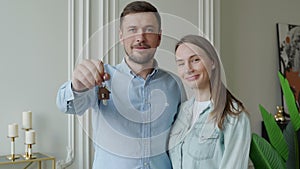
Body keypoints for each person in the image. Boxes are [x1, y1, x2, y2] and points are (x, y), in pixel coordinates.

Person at [56, 1, 186, 169]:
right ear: (121, 37)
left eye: (149, 30)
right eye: (132, 30)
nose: (140, 38)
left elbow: (181, 140)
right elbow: (68, 106)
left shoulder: (175, 85)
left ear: (159, 37)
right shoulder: (100, 78)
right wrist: (77, 86)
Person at [168, 35, 251, 169]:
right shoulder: (181, 112)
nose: (188, 69)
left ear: (212, 62)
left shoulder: (234, 115)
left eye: (195, 60)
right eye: (181, 63)